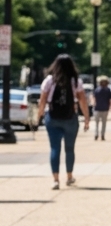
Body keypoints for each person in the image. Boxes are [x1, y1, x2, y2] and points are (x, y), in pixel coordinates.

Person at [37, 54, 90, 190]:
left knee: (55, 148)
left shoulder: (49, 80)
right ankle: (69, 176)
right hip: (70, 118)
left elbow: (42, 100)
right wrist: (86, 117)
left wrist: (39, 115)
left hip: (53, 118)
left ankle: (55, 180)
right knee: (69, 149)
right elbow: (83, 100)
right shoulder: (76, 81)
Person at [93, 76, 111, 140]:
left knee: (97, 123)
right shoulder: (108, 90)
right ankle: (102, 135)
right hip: (104, 108)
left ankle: (97, 134)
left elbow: (94, 99)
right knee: (103, 123)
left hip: (97, 108)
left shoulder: (97, 90)